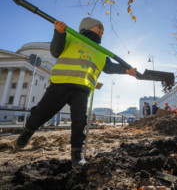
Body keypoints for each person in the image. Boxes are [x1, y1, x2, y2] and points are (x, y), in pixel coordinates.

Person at [15, 17, 137, 168]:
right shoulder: (71, 36)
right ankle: (27, 133)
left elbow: (110, 67)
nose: (102, 32)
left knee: (80, 122)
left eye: (103, 30)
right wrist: (59, 33)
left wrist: (126, 70)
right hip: (61, 83)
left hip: (82, 88)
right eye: (99, 28)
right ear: (87, 26)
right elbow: (55, 51)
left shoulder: (101, 52)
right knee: (42, 112)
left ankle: (77, 152)